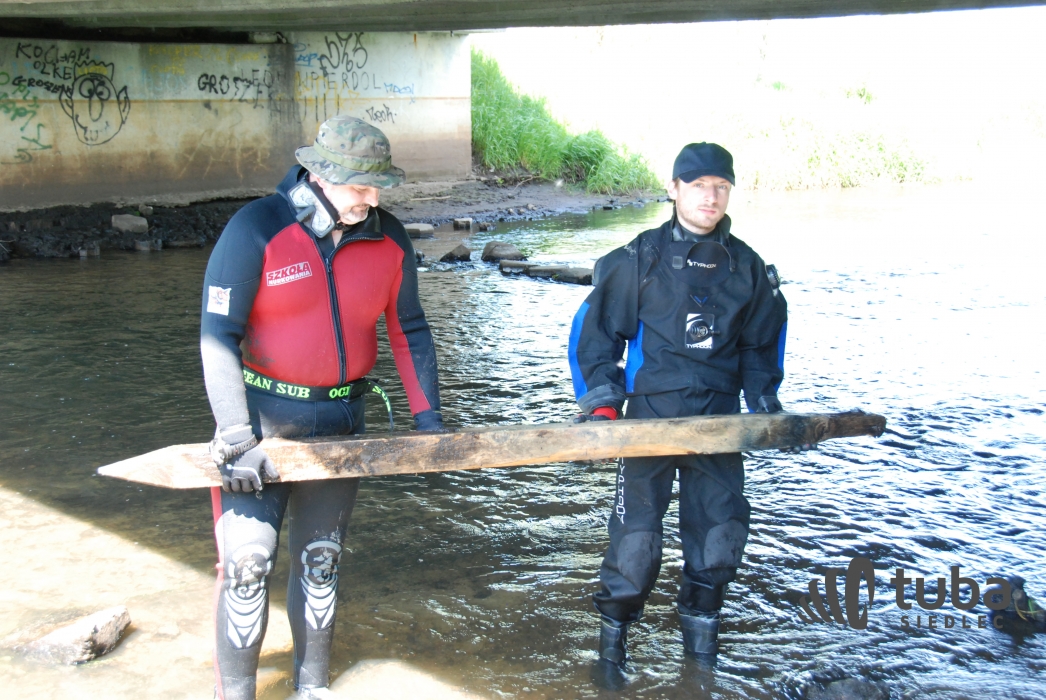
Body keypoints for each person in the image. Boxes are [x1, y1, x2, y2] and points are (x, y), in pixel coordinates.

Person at [200, 115, 444, 700]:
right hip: (259, 426)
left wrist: (429, 422)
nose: (373, 199)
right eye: (361, 185)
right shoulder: (256, 228)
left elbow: (408, 329)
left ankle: (312, 689)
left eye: (379, 185)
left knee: (321, 562)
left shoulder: (389, 238)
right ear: (320, 175)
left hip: (340, 424)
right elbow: (217, 335)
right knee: (247, 568)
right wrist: (233, 432)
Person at [567, 142, 789, 687]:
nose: (710, 196)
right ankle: (611, 658)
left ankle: (700, 664)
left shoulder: (749, 269)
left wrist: (764, 404)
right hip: (648, 421)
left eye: (721, 187)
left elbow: (762, 347)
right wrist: (602, 405)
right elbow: (593, 338)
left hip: (720, 424)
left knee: (720, 540)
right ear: (674, 189)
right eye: (698, 185)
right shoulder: (636, 259)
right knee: (636, 545)